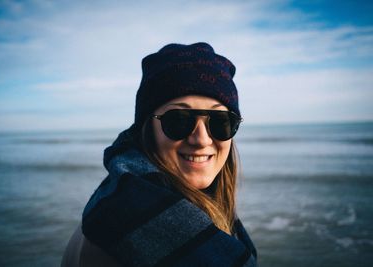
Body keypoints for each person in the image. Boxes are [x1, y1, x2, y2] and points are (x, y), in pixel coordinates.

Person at [62, 42, 257, 267]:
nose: (202, 139)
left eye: (221, 121)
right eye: (179, 120)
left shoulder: (187, 216)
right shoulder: (118, 232)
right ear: (147, 129)